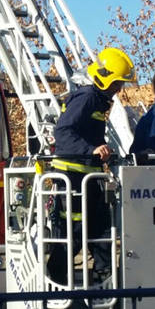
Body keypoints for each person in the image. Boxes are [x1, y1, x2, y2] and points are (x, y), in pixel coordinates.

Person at [46, 47, 135, 285]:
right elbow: (64, 132)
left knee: (102, 227)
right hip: (73, 176)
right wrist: (91, 150)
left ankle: (103, 277)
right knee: (74, 229)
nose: (119, 89)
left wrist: (103, 150)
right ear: (105, 77)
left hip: (89, 175)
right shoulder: (86, 97)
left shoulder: (99, 100)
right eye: (117, 82)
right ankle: (55, 278)